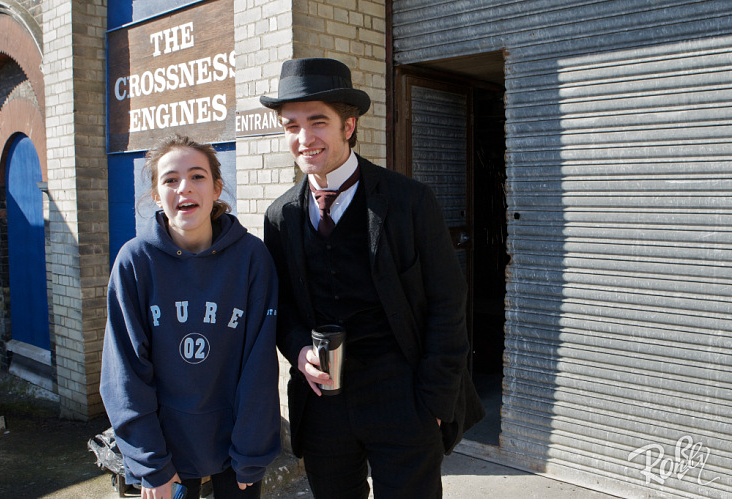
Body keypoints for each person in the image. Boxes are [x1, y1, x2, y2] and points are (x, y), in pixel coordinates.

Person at [261, 58, 484, 498]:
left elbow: (448, 302)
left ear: (348, 125)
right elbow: (280, 304)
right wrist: (299, 349)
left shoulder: (410, 201)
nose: (303, 138)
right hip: (323, 403)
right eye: (291, 126)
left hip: (404, 396)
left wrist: (434, 401)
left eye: (317, 122)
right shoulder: (280, 216)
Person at [100, 135, 281, 499]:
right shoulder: (135, 262)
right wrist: (151, 463)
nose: (184, 187)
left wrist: (252, 450)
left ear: (216, 188)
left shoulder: (251, 258)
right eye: (170, 179)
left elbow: (259, 364)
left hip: (236, 445)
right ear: (156, 195)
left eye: (197, 176)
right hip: (167, 449)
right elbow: (124, 374)